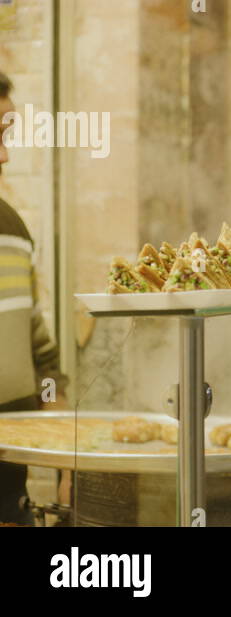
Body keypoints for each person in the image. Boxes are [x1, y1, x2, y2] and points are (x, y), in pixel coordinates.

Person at [0, 71, 66, 525]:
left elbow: (41, 356)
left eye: (6, 133)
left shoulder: (12, 231)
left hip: (9, 494)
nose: (4, 155)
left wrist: (69, 465)